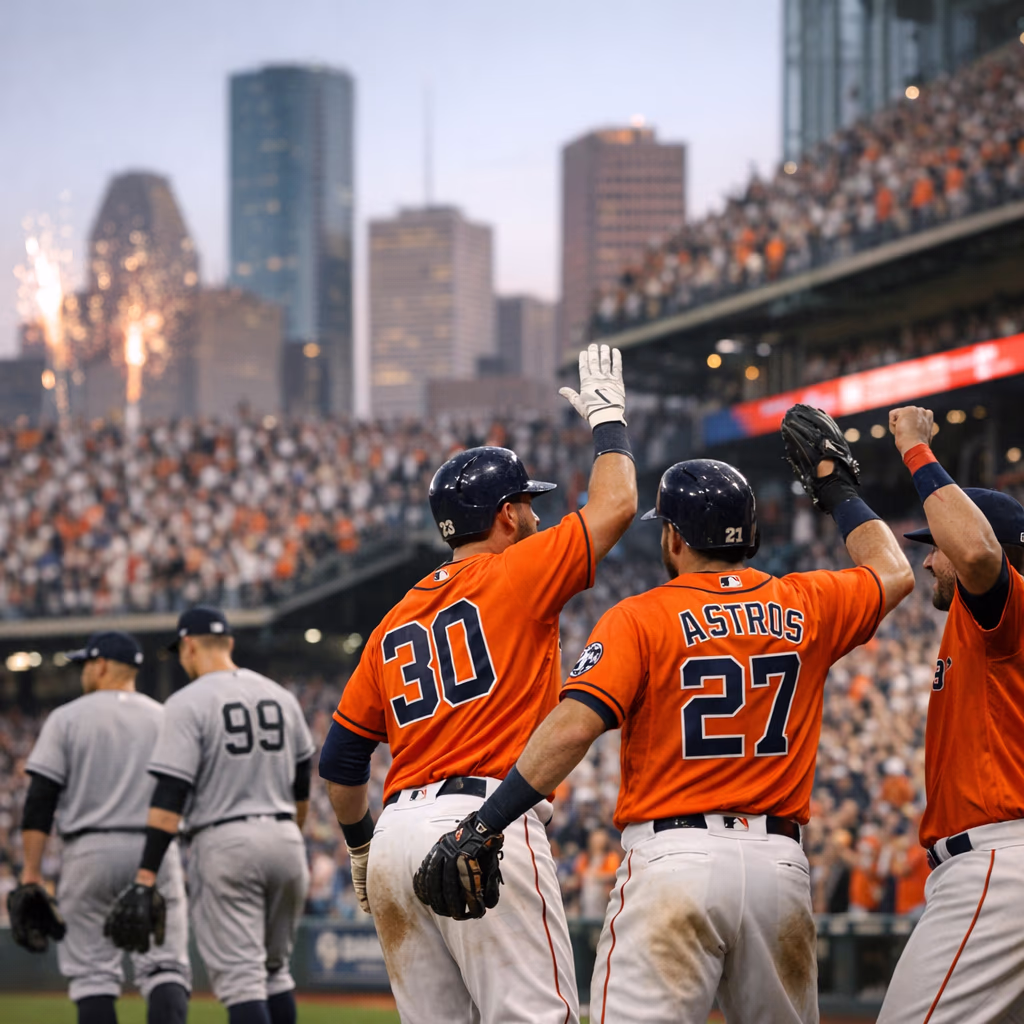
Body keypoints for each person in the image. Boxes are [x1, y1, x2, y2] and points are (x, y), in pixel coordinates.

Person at [421, 405, 914, 1024]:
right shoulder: (808, 600)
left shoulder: (640, 616)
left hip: (674, 860)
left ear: (675, 537)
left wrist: (486, 821)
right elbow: (894, 572)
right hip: (778, 869)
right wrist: (837, 490)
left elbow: (573, 726)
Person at [318, 342, 638, 1024]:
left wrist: (362, 846)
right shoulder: (516, 571)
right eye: (527, 504)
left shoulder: (392, 619)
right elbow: (615, 504)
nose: (536, 516)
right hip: (486, 822)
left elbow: (343, 763)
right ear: (503, 514)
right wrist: (609, 420)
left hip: (398, 833)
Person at [877, 406, 1024, 1023]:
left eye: (935, 547)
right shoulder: (982, 625)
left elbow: (979, 558)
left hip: (998, 864)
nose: (929, 560)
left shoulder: (1002, 609)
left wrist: (915, 450)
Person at [105, 606, 315, 1024]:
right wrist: (289, 836)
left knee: (242, 981)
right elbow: (302, 786)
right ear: (230, 643)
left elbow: (170, 797)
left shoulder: (187, 701)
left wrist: (146, 874)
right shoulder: (280, 695)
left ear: (189, 646)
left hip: (226, 843)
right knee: (275, 974)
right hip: (286, 841)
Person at [8, 631, 190, 1024]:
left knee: (92, 976)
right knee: (165, 967)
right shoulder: (165, 717)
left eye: (85, 664)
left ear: (102, 665)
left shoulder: (67, 717)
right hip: (155, 852)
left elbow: (40, 801)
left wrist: (32, 874)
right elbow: (180, 792)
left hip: (88, 853)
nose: (83, 673)